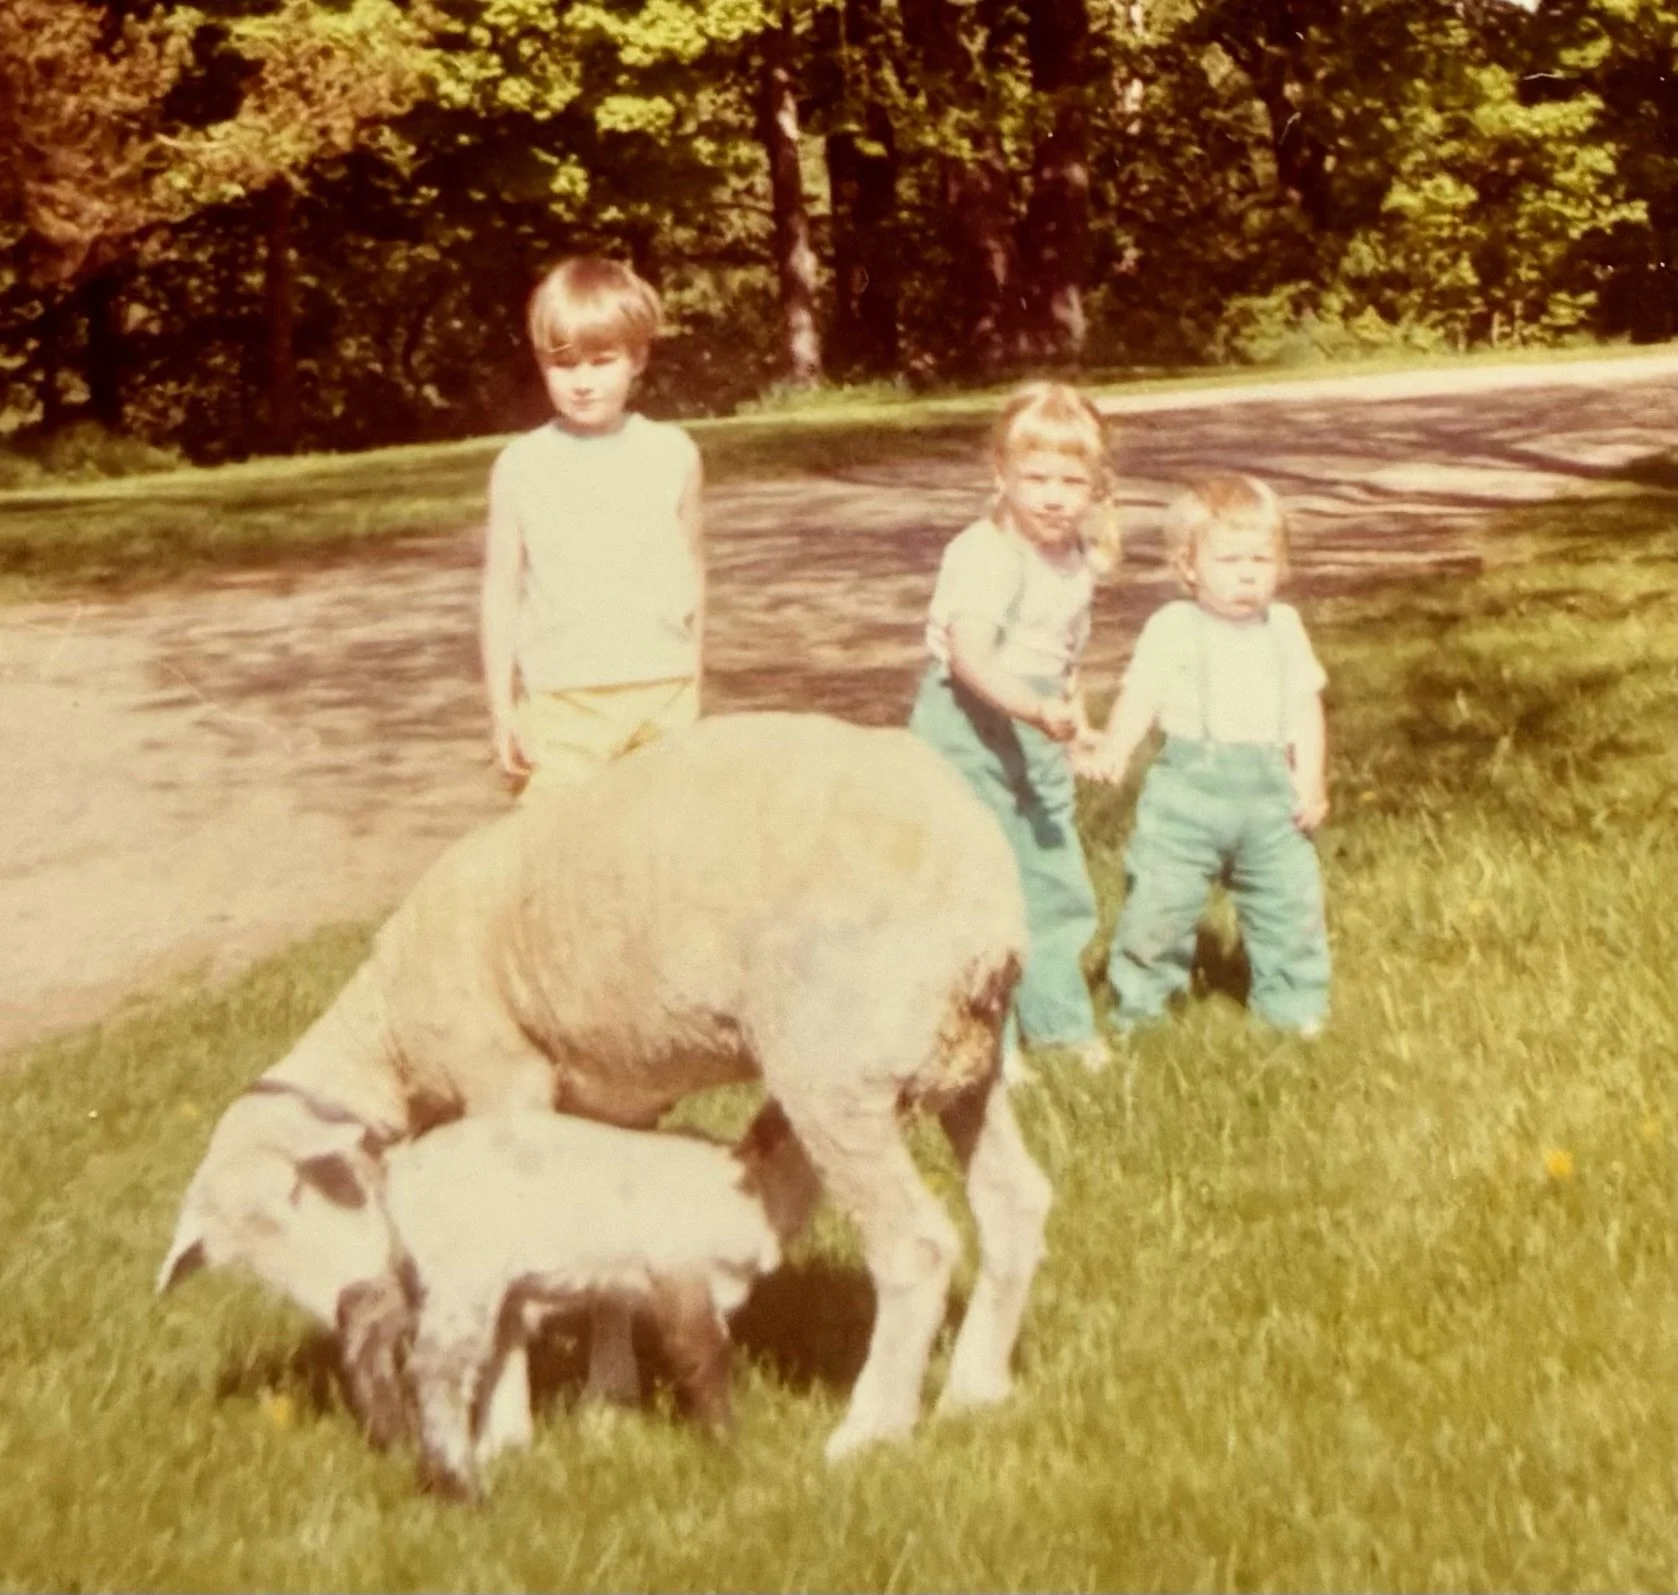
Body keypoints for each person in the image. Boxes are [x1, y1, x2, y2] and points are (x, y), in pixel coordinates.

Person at [909, 381, 1121, 1074]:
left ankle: (1059, 1023)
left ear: (1096, 487)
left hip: (1037, 725)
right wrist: (1031, 710)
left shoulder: (1077, 563)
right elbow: (971, 655)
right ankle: (983, 1043)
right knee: (980, 879)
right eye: (1035, 479)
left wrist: (1076, 724)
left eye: (1071, 481)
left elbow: (1063, 659)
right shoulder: (984, 553)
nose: (1054, 497)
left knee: (1053, 875)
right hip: (969, 723)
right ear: (999, 475)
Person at [1078, 473, 1330, 1036]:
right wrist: (1116, 747)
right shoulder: (1173, 627)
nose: (1247, 574)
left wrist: (1309, 778)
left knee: (1290, 907)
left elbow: (1304, 707)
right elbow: (1140, 695)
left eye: (1261, 560)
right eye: (1230, 560)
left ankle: (1295, 1007)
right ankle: (1142, 1009)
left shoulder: (1284, 628)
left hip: (1270, 796)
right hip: (1187, 793)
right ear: (1188, 567)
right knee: (1159, 909)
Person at [481, 256, 705, 796]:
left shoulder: (672, 453)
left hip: (662, 694)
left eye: (601, 361)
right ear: (540, 363)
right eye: (564, 365)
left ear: (637, 358)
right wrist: (501, 709)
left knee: (661, 847)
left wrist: (693, 680)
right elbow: (501, 592)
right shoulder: (521, 465)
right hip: (563, 703)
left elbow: (693, 573)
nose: (582, 382)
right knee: (549, 850)